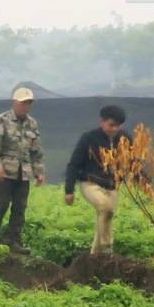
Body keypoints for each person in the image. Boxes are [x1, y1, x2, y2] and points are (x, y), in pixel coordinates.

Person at [61, 103, 128, 255]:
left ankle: (94, 257)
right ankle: (107, 248)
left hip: (113, 185)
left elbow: (133, 161)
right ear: (102, 122)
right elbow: (73, 164)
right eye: (111, 125)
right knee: (106, 208)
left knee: (106, 216)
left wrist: (145, 181)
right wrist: (69, 190)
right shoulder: (89, 138)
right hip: (90, 183)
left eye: (118, 126)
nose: (114, 129)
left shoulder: (124, 138)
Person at [0, 87, 44, 250]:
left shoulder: (32, 123)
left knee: (20, 208)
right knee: (1, 205)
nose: (26, 106)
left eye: (29, 103)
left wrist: (39, 172)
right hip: (5, 172)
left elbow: (36, 150)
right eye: (23, 102)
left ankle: (14, 240)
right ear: (15, 102)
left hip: (24, 173)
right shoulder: (2, 120)